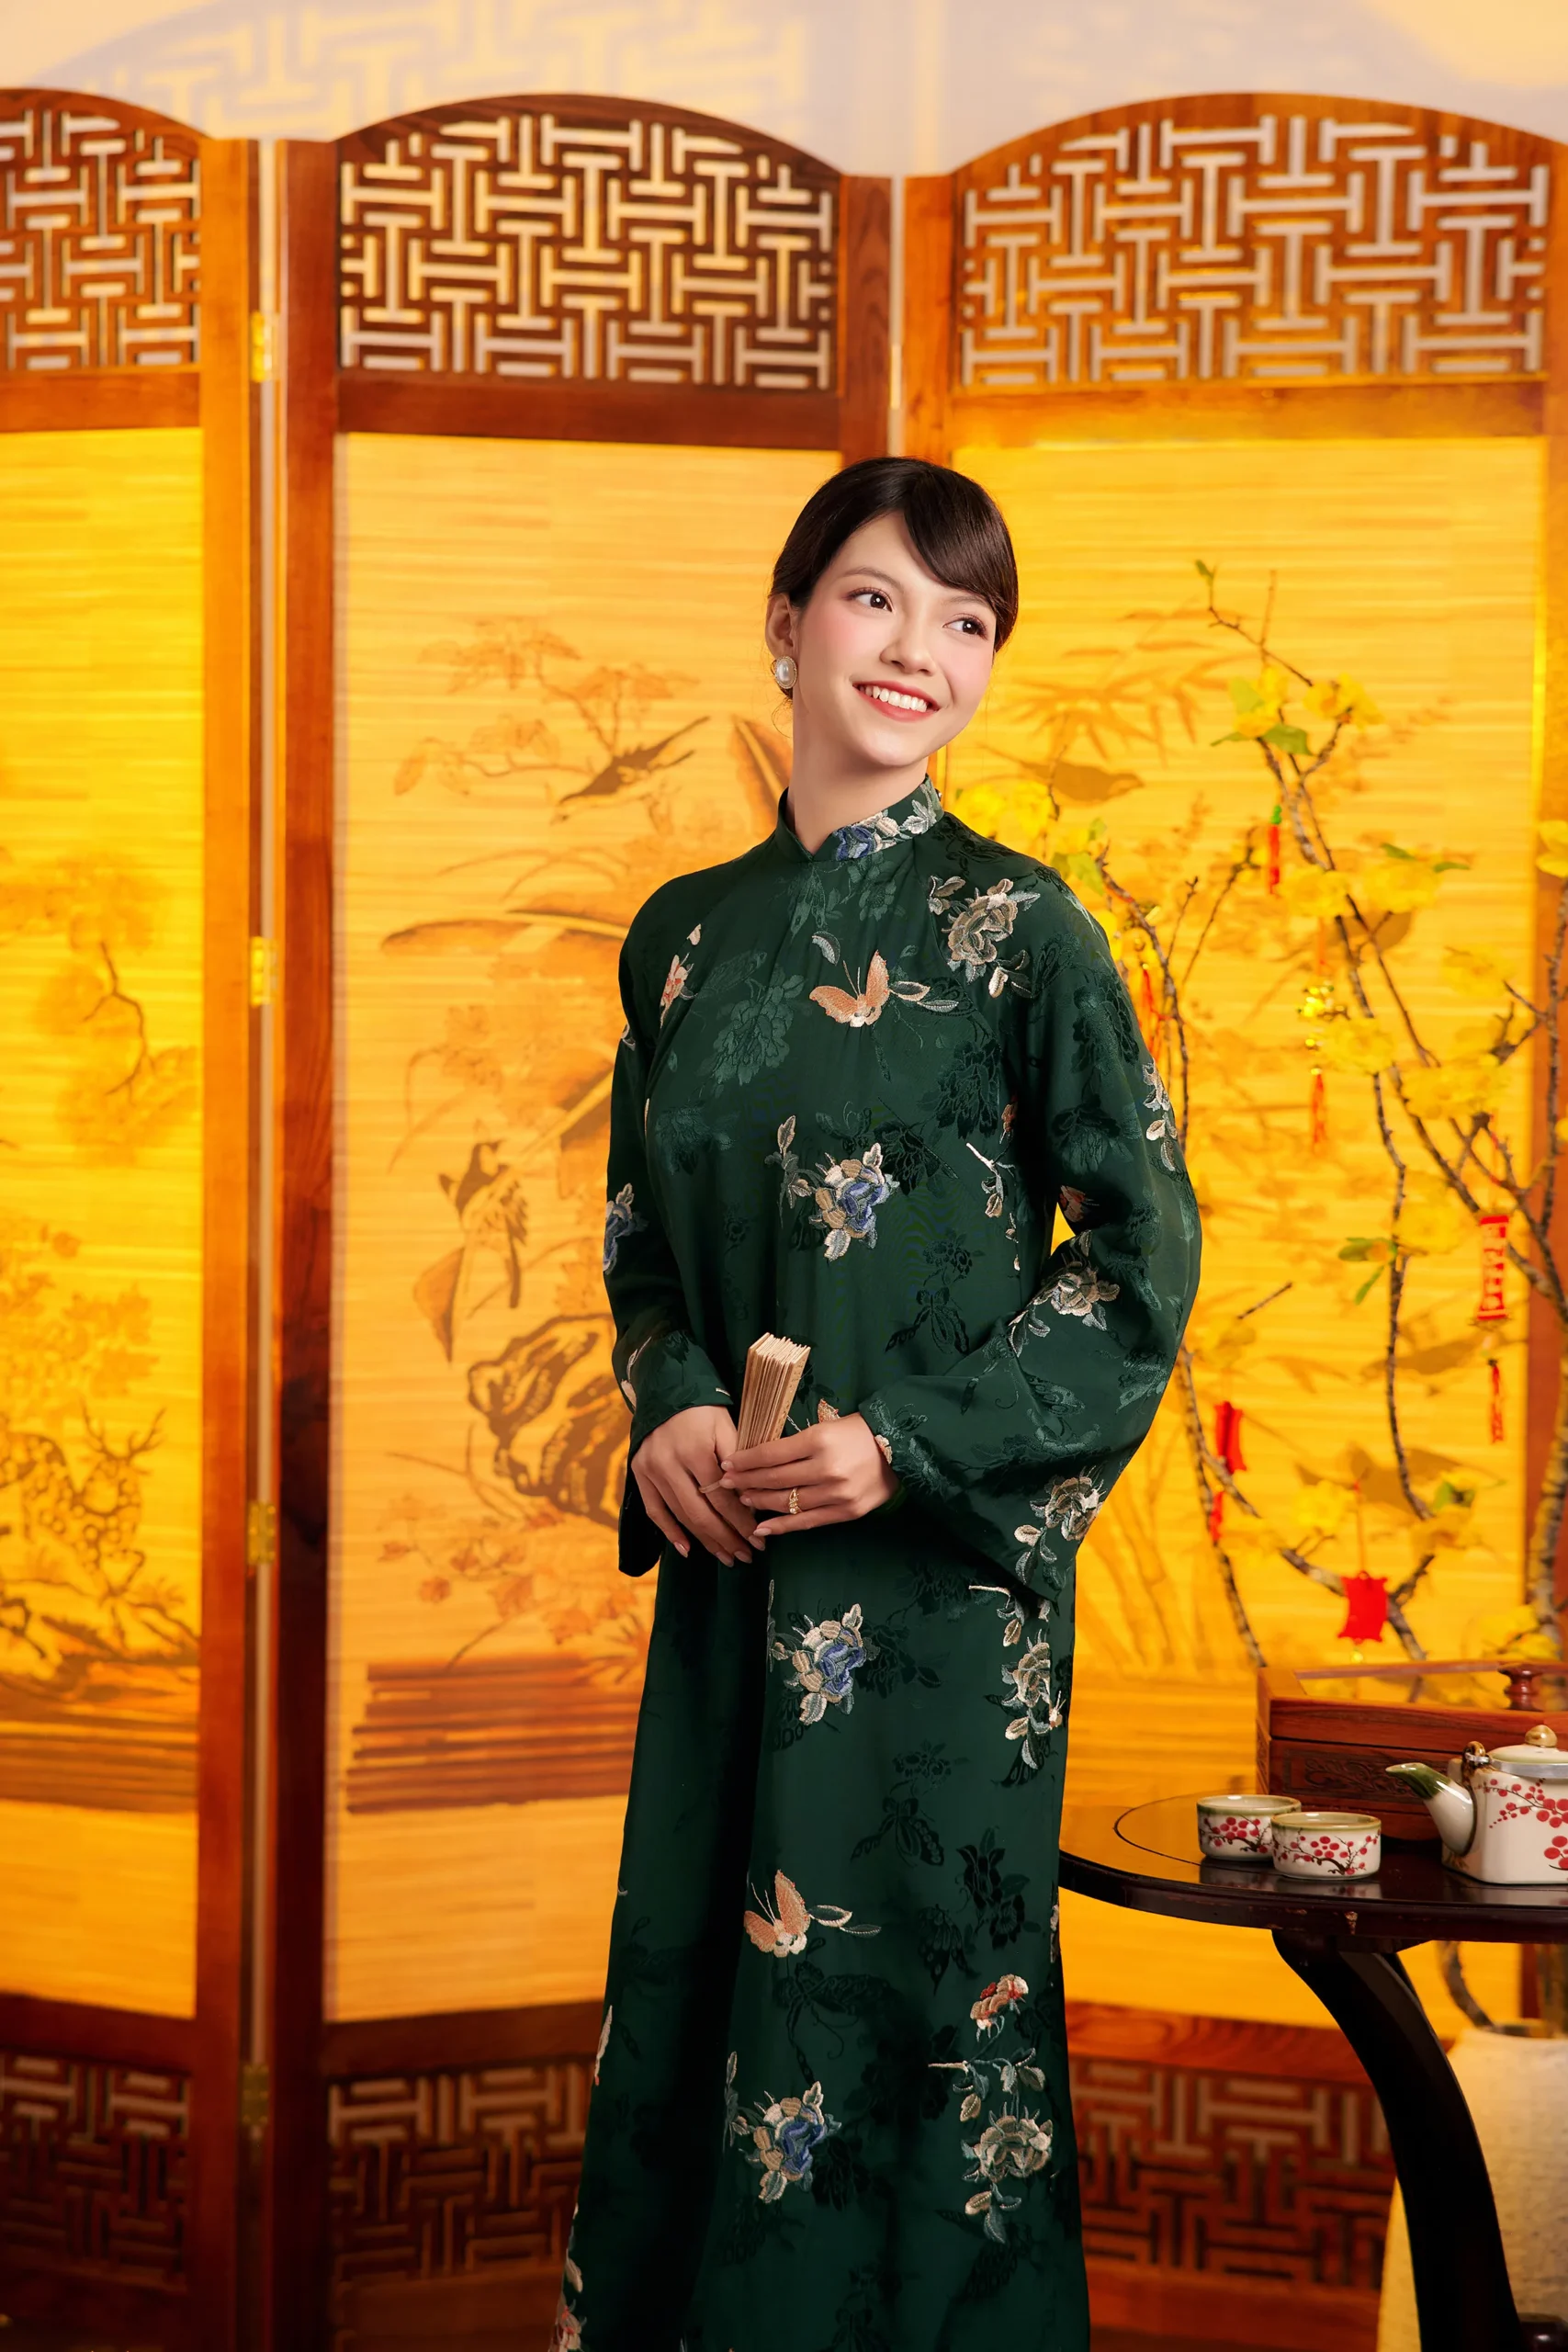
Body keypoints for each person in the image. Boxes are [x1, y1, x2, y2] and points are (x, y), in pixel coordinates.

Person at [554, 458, 1201, 2350]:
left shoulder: (1022, 931)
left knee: (923, 2040)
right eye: (875, 598)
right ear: (784, 625)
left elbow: (1139, 1261)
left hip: (932, 1617)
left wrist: (900, 1443)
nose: (920, 647)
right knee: (703, 1984)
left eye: (966, 618)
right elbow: (642, 1252)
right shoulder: (679, 936)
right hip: (731, 1577)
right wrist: (672, 1410)